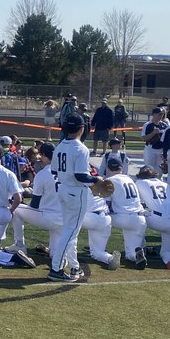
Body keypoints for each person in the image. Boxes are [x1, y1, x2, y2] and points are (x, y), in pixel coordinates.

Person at [48, 114, 98, 282]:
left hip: (63, 189)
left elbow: (54, 171)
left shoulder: (60, 145)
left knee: (70, 230)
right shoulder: (81, 148)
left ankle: (74, 265)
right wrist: (96, 179)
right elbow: (81, 176)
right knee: (70, 232)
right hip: (76, 192)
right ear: (82, 128)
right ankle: (56, 268)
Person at [135, 166, 170, 269]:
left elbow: (138, 203)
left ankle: (140, 247)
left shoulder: (140, 183)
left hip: (157, 219)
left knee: (136, 216)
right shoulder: (166, 185)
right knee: (165, 252)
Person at [105, 159, 148, 268]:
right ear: (121, 168)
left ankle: (98, 247)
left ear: (108, 168)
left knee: (99, 217)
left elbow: (106, 203)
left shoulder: (110, 180)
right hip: (140, 219)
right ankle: (139, 251)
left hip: (122, 218)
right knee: (130, 255)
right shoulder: (130, 179)